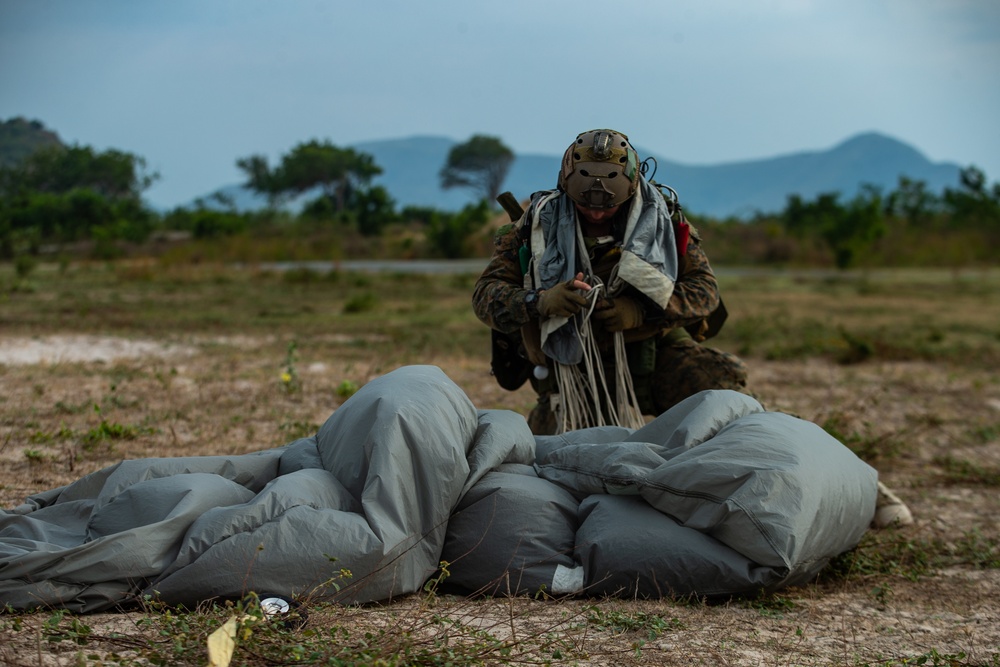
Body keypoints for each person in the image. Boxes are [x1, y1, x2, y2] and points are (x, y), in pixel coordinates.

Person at [473, 128, 749, 435]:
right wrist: (539, 302)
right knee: (559, 458)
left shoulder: (662, 222)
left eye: (608, 206)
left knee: (720, 399)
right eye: (585, 204)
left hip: (650, 352)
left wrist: (640, 311)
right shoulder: (533, 228)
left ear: (630, 189)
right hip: (570, 368)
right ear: (566, 186)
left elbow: (705, 292)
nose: (596, 213)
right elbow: (485, 295)